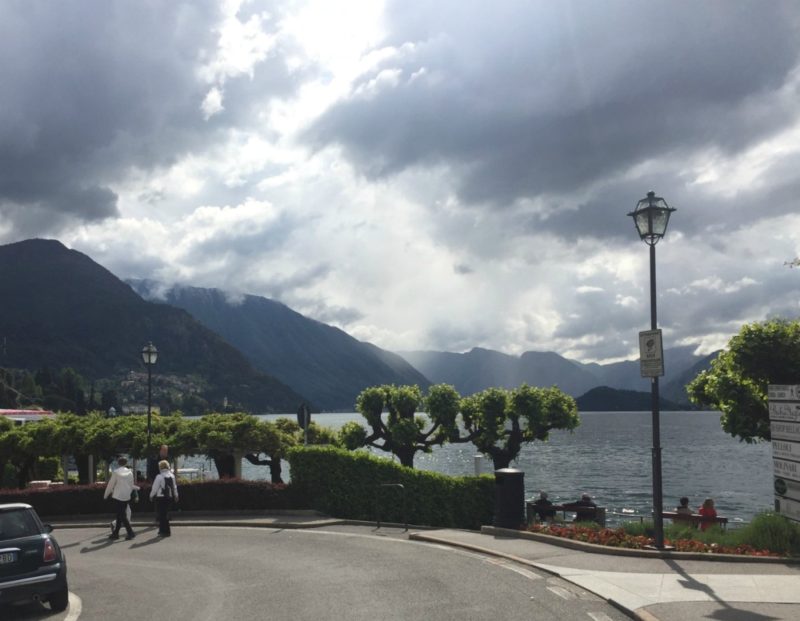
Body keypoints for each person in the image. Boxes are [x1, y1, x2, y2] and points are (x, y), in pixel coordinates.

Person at [104, 457, 136, 540]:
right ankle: (116, 533)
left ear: (118, 463)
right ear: (126, 463)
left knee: (122, 515)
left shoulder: (116, 472)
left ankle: (130, 532)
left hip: (118, 496)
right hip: (126, 496)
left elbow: (111, 485)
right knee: (120, 515)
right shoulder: (130, 473)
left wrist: (106, 495)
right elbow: (131, 485)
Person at [150, 459, 178, 537]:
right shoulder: (172, 476)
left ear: (160, 467)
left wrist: (151, 495)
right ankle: (162, 530)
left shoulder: (159, 476)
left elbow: (155, 488)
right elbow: (174, 487)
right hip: (169, 497)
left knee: (161, 515)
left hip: (161, 497)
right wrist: (176, 495)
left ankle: (165, 531)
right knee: (165, 514)